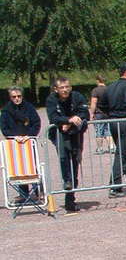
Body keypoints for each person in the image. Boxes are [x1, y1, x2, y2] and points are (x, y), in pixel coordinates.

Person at [99, 63, 126, 198]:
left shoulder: (110, 86)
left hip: (113, 121)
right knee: (122, 153)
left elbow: (102, 105)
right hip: (125, 121)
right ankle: (115, 185)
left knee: (125, 151)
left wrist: (111, 114)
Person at [45, 77, 88, 212]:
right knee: (64, 160)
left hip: (75, 134)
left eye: (67, 87)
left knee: (75, 163)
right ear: (56, 89)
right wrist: (68, 119)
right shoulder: (51, 99)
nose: (65, 90)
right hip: (59, 135)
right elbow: (53, 118)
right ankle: (67, 182)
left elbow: (85, 113)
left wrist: (69, 124)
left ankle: (70, 199)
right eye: (62, 87)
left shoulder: (77, 96)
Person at [1, 87, 42, 204]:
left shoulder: (29, 107)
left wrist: (29, 135)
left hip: (29, 141)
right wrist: (15, 137)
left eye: (19, 96)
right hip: (14, 142)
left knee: (33, 166)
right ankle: (23, 194)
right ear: (10, 97)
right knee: (19, 168)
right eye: (14, 97)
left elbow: (36, 123)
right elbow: (4, 128)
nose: (17, 99)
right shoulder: (5, 111)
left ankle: (39, 191)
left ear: (22, 96)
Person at [88, 75, 111, 154]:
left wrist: (91, 113)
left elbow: (93, 103)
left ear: (98, 81)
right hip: (108, 113)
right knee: (108, 130)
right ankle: (111, 147)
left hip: (99, 113)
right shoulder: (109, 89)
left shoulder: (95, 90)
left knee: (99, 130)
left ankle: (100, 148)